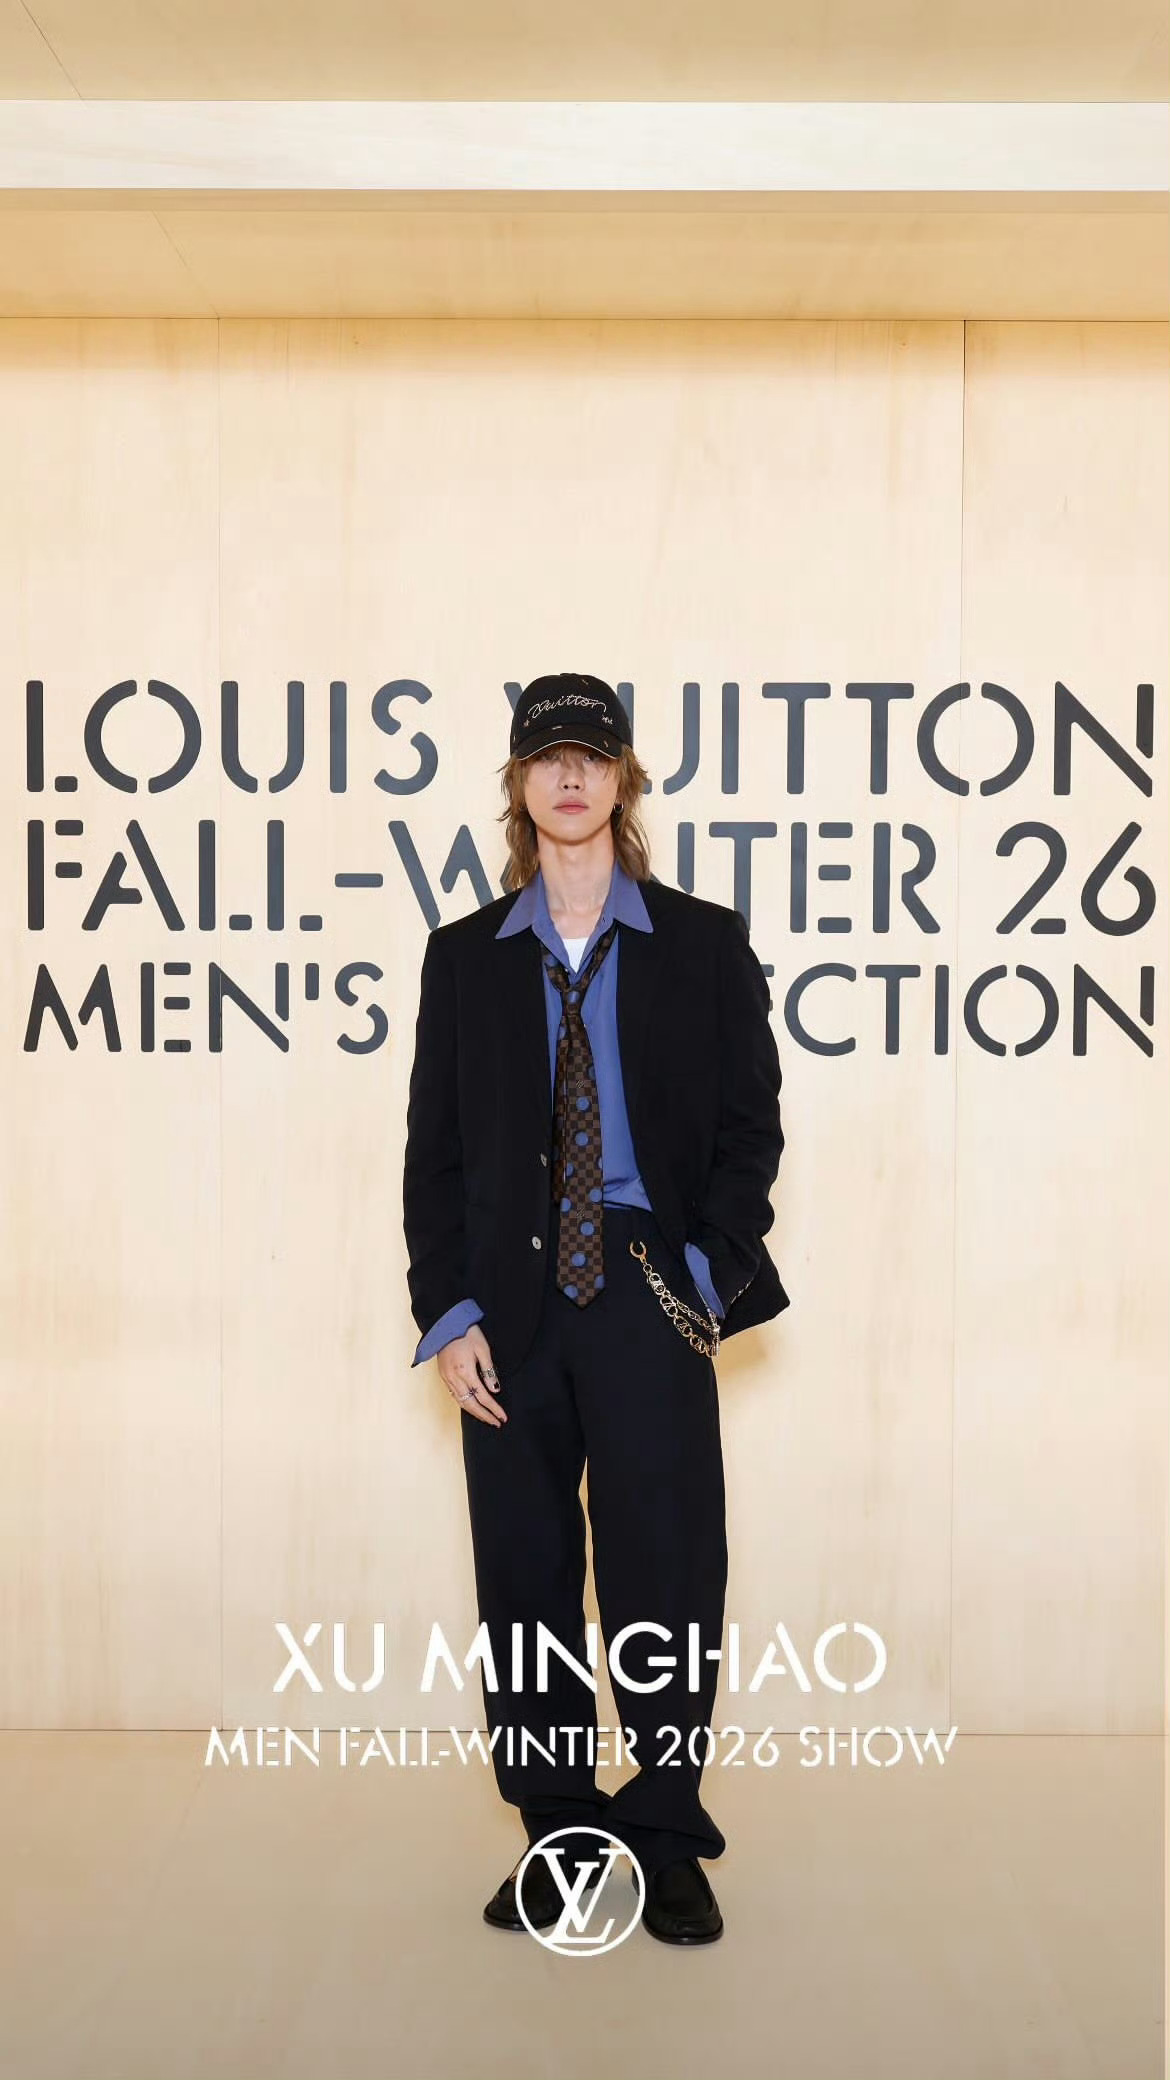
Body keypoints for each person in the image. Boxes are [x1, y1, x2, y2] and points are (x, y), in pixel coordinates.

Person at [402, 671, 789, 1944]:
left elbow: (749, 1130)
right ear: (519, 785)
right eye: (547, 756)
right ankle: (560, 1835)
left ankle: (666, 1833)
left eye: (592, 755)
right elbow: (434, 1158)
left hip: (645, 1285)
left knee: (665, 1572)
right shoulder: (464, 957)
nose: (570, 775)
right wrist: (450, 1313)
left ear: (623, 781)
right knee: (523, 1578)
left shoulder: (705, 943)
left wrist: (704, 1274)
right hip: (508, 1299)